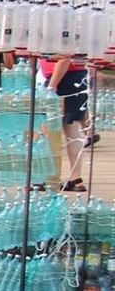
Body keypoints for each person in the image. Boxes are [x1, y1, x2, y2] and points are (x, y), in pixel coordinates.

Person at [50, 56, 90, 191]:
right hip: (73, 77)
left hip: (63, 78)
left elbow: (64, 57)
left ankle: (51, 176)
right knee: (71, 128)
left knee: (51, 130)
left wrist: (51, 86)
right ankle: (75, 178)